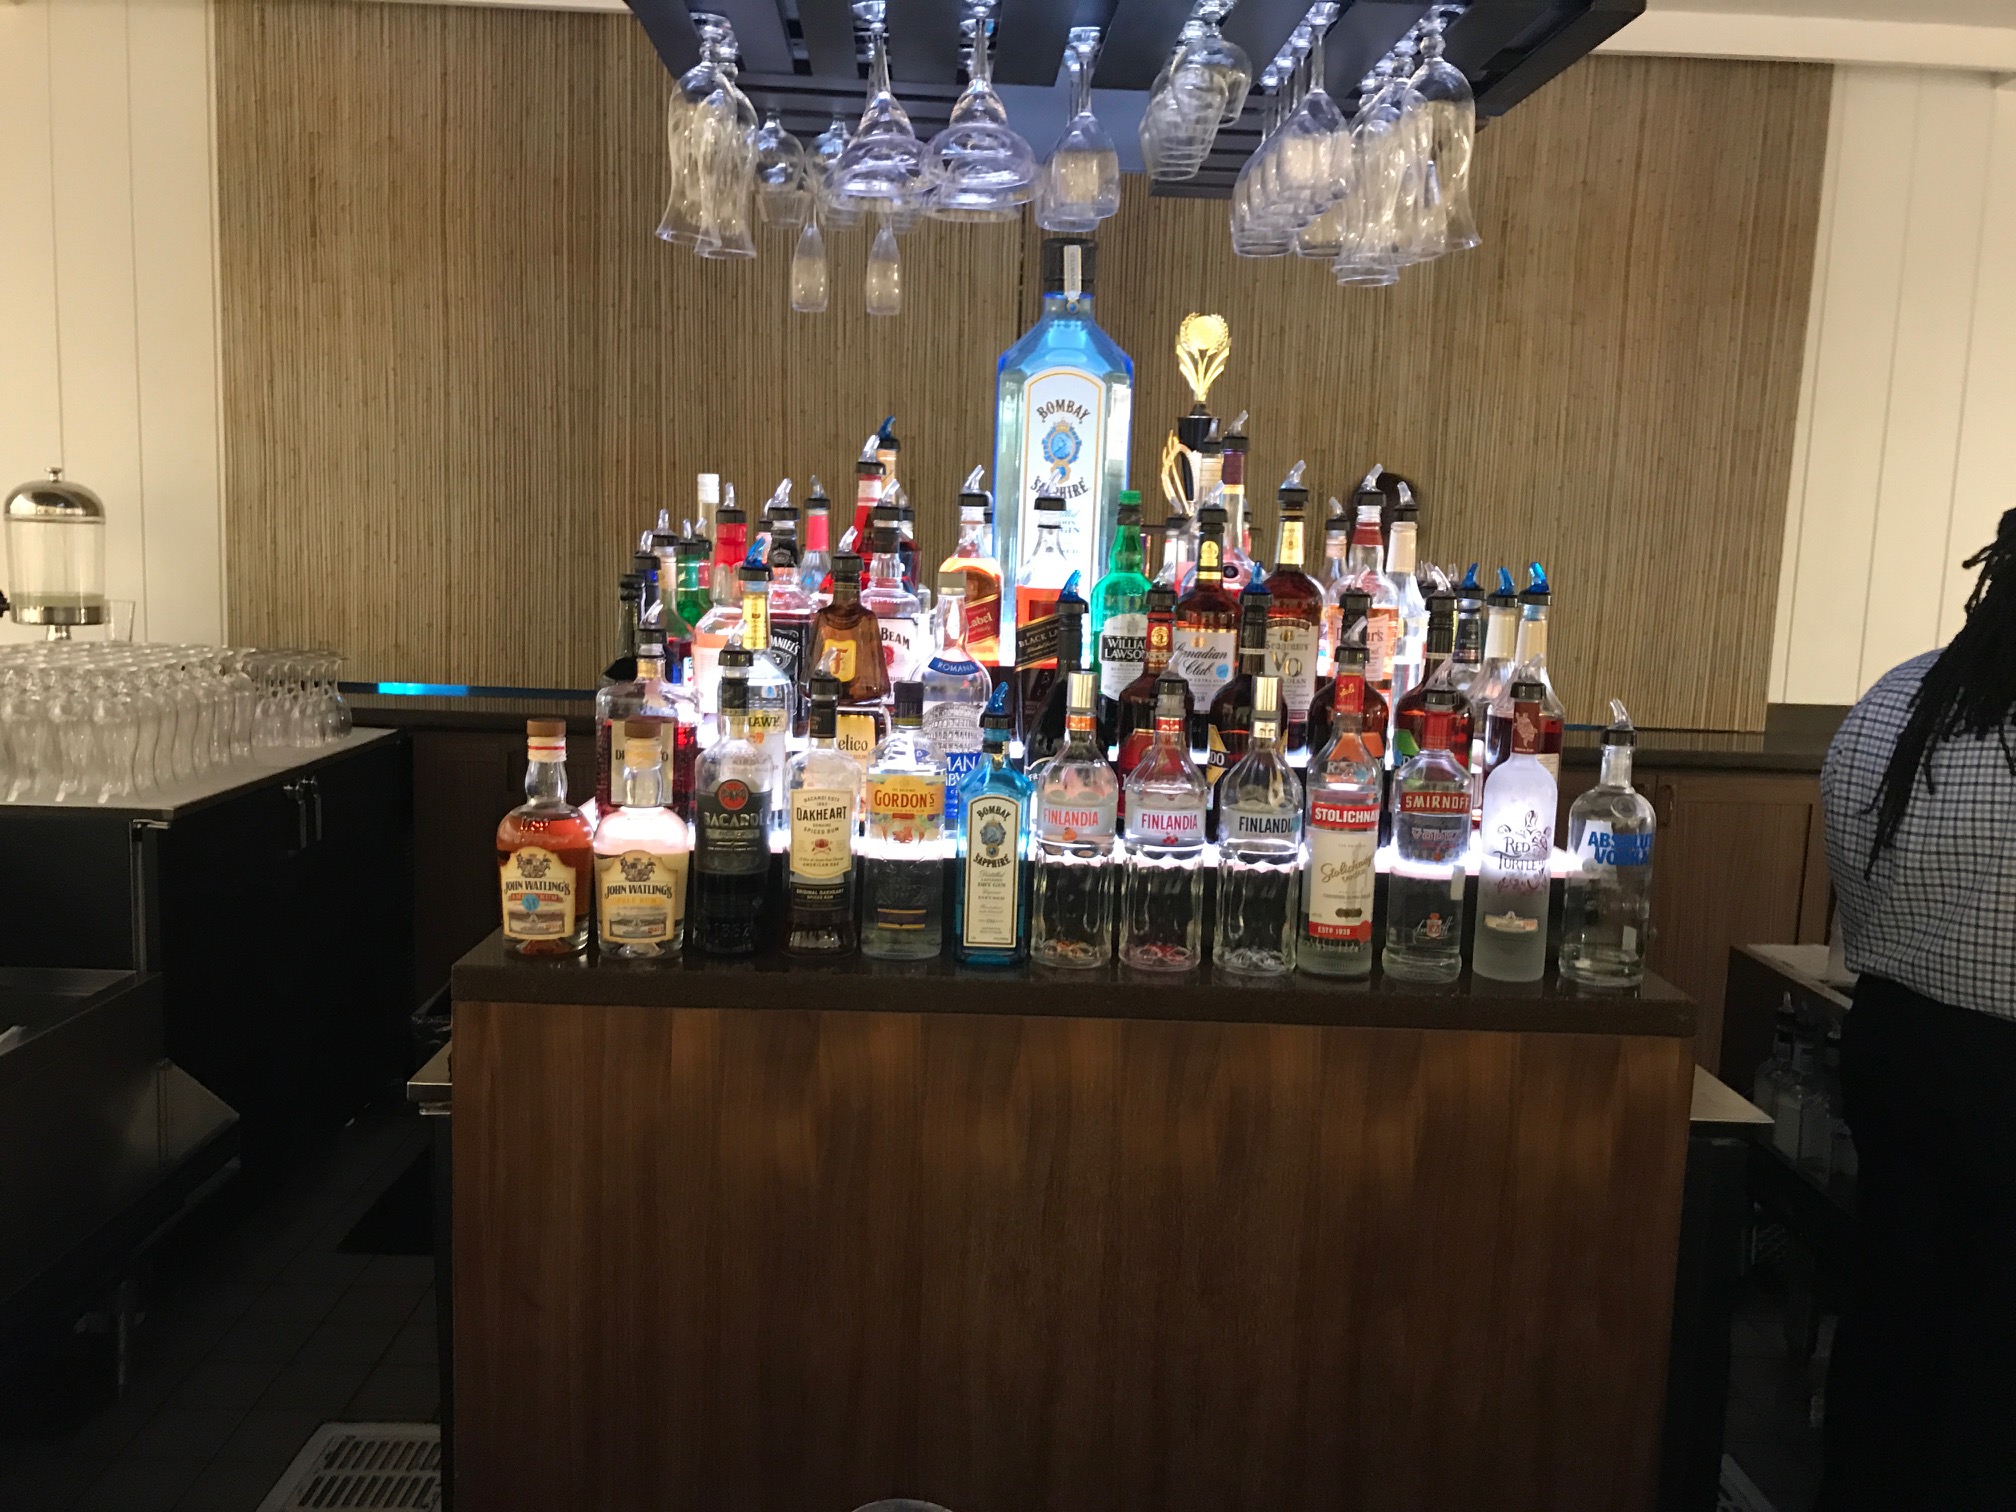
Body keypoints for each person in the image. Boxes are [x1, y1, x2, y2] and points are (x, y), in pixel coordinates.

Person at [1817, 507, 2016, 1511]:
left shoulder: (1900, 695)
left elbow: (1849, 876)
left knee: (1893, 1306)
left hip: (1891, 1040)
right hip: (2002, 1073)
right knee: (1990, 1358)